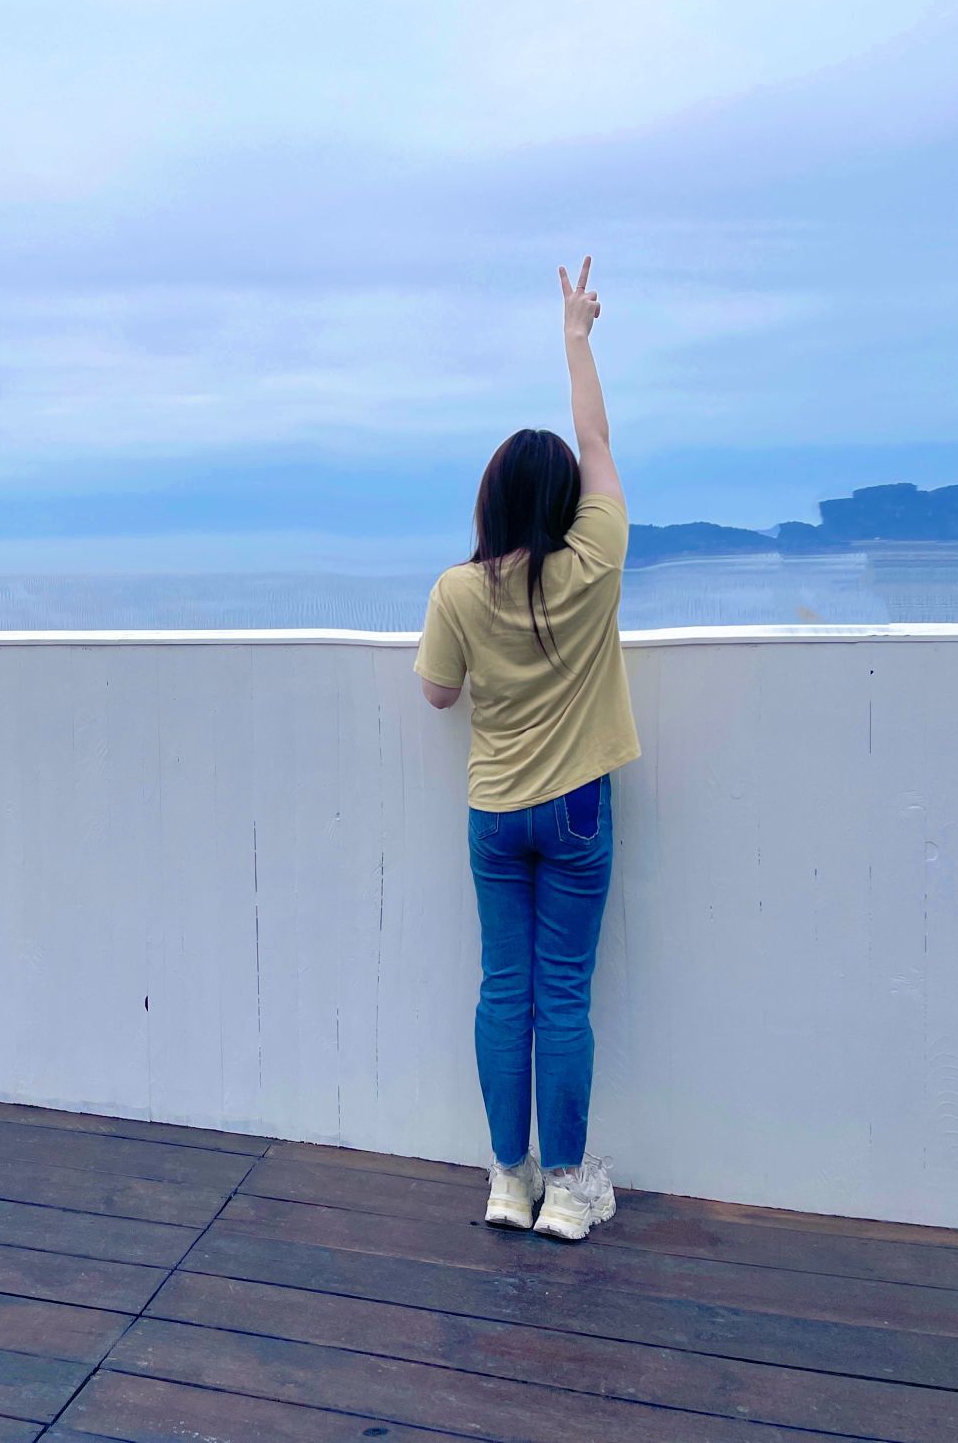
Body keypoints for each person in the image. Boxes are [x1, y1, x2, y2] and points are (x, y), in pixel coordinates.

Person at [413, 256, 640, 1243]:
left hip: (495, 810)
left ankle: (508, 1181)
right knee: (565, 998)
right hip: (579, 805)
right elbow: (593, 438)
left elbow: (436, 693)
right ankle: (570, 1192)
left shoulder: (457, 590)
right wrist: (576, 335)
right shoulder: (594, 562)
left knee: (503, 994)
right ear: (562, 504)